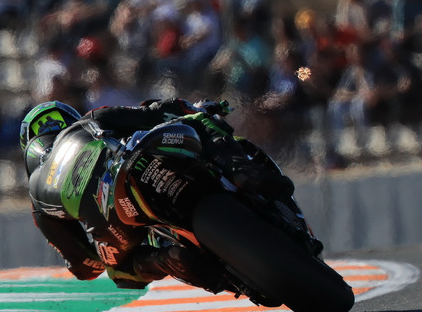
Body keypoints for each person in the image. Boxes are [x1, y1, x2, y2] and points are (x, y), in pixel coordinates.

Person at [19, 99, 294, 290]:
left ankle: (167, 259)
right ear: (68, 120)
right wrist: (197, 107)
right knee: (199, 121)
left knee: (119, 272)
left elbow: (85, 267)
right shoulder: (91, 120)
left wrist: (101, 244)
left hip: (113, 227)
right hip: (131, 169)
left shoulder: (38, 198)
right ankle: (243, 171)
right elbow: (160, 112)